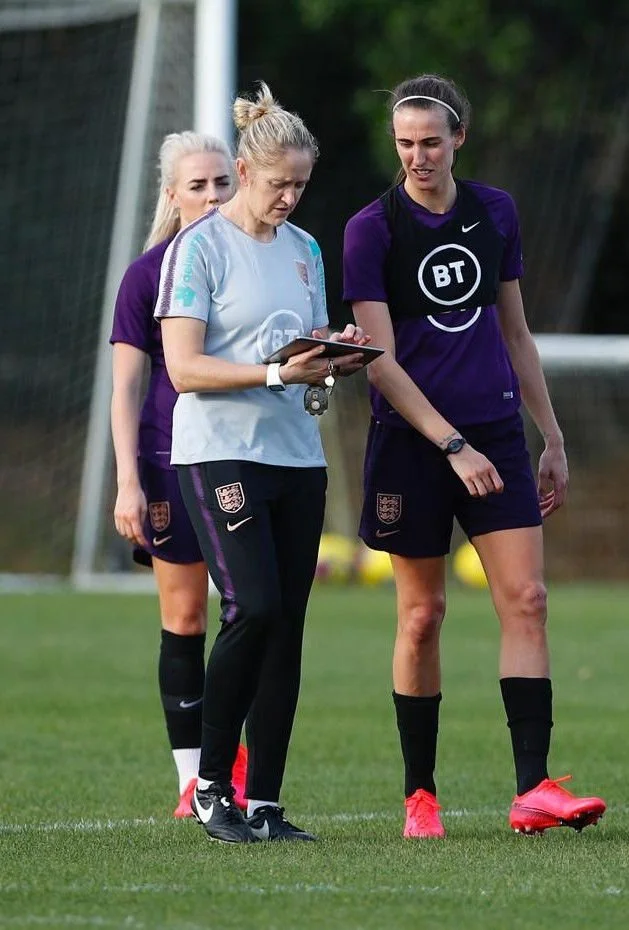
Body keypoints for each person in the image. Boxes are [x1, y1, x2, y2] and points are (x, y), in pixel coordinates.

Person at [343, 74, 606, 838]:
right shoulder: (372, 228)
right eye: (404, 144)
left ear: (459, 138)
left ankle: (532, 790)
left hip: (494, 433)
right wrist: (448, 444)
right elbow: (379, 359)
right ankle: (419, 797)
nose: (416, 156)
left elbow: (514, 333)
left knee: (527, 601)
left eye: (430, 141)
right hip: (413, 444)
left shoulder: (495, 212)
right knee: (422, 614)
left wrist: (549, 435)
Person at [154, 83, 368, 844]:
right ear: (244, 171)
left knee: (289, 626)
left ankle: (268, 804)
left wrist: (329, 354)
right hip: (219, 450)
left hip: (293, 455)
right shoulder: (199, 247)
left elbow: (297, 345)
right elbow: (184, 368)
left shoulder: (306, 248)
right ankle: (213, 787)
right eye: (278, 183)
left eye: (300, 185)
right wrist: (277, 374)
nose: (289, 197)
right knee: (254, 608)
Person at [110, 131, 248, 819]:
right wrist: (128, 481)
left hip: (248, 459)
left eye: (223, 182)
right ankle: (193, 779)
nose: (213, 196)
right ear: (172, 194)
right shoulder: (147, 275)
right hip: (168, 463)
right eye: (197, 185)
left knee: (253, 611)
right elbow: (127, 389)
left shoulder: (259, 262)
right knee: (185, 615)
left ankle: (239, 761)